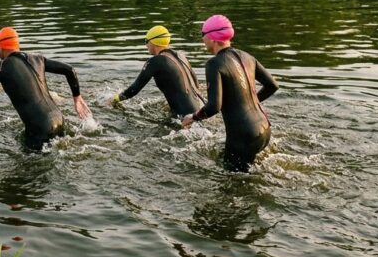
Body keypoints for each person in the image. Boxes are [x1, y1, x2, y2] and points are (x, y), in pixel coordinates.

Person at [0, 27, 92, 149]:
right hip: (59, 119)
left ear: (0, 46)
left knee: (31, 168)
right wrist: (77, 97)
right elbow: (69, 70)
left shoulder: (1, 67)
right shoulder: (38, 59)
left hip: (40, 128)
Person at [181, 15, 279, 172]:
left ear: (212, 37)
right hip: (264, 129)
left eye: (202, 35)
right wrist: (252, 101)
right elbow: (272, 85)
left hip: (243, 136)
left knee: (231, 189)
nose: (202, 39)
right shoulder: (246, 56)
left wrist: (192, 117)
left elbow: (214, 106)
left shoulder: (214, 64)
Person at [111, 25, 204, 117]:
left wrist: (114, 99)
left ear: (152, 42)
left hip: (185, 118)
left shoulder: (155, 61)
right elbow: (196, 85)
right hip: (201, 111)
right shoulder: (182, 56)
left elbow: (134, 90)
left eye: (146, 41)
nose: (146, 45)